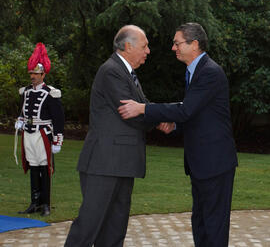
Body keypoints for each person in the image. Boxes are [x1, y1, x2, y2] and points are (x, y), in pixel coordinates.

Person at [118, 22, 238, 247]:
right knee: (200, 221)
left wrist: (143, 108)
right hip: (202, 164)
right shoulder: (195, 71)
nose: (173, 48)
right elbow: (199, 115)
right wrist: (175, 127)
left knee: (213, 225)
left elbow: (185, 109)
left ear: (194, 44)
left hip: (215, 163)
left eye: (177, 43)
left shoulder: (209, 72)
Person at [64, 25, 155, 247]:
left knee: (114, 230)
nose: (148, 51)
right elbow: (131, 114)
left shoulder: (128, 73)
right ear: (127, 46)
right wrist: (161, 117)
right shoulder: (112, 71)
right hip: (104, 163)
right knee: (88, 227)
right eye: (144, 46)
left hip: (121, 163)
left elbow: (142, 107)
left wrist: (165, 114)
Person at [15, 43, 65, 216]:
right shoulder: (26, 92)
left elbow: (59, 119)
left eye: (36, 74)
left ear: (43, 74)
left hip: (43, 134)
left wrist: (57, 140)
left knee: (45, 168)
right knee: (33, 167)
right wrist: (20, 121)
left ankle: (46, 204)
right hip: (28, 134)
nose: (32, 76)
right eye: (31, 73)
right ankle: (34, 202)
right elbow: (22, 110)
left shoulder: (51, 93)